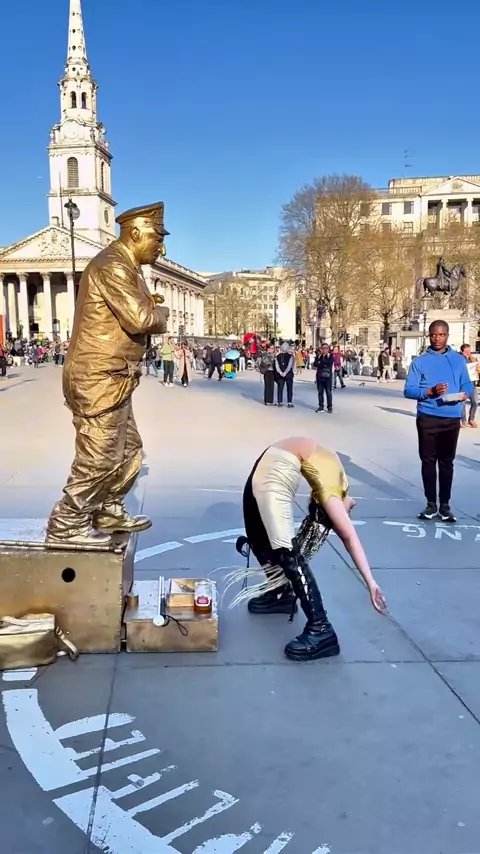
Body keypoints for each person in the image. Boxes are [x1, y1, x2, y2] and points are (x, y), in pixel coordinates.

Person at [46, 202, 170, 546]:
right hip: (98, 378)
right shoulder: (113, 265)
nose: (161, 248)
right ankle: (66, 524)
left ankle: (108, 508)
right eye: (157, 239)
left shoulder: (128, 266)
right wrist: (162, 312)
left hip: (115, 378)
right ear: (136, 233)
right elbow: (142, 319)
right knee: (99, 456)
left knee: (129, 450)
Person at [234, 436, 387, 662]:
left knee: (286, 550)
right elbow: (349, 536)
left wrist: (371, 583)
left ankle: (321, 627)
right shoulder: (333, 492)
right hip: (273, 462)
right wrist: (371, 583)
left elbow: (349, 536)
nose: (344, 520)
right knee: (259, 533)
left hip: (273, 460)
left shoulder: (334, 493)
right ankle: (281, 593)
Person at [404, 320, 472, 523]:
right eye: (433, 335)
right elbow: (409, 390)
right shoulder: (420, 362)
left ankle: (445, 505)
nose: (437, 338)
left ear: (447, 336)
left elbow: (467, 384)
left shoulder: (458, 360)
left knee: (447, 462)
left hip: (451, 417)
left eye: (441, 335)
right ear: (429, 336)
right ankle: (431, 503)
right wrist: (430, 392)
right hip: (428, 417)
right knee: (428, 461)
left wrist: (464, 394)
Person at [460, 344, 479, 429]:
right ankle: (463, 420)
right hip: (463, 385)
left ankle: (471, 419)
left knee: (475, 402)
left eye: (469, 351)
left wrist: (478, 369)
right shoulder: (459, 360)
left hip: (472, 384)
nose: (468, 353)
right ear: (462, 351)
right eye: (466, 351)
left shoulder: (473, 359)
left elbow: (478, 370)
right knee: (462, 403)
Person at [313, 343, 333, 413]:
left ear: (328, 349)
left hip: (327, 377)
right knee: (320, 392)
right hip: (319, 376)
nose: (324, 350)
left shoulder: (330, 355)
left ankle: (329, 406)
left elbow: (329, 363)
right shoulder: (319, 356)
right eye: (323, 348)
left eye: (326, 348)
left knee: (328, 392)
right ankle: (321, 406)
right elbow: (315, 364)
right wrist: (322, 363)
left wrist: (321, 363)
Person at [275, 342, 294, 407]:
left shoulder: (277, 356)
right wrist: (285, 372)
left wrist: (280, 372)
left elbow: (277, 365)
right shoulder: (290, 356)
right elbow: (290, 365)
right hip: (289, 374)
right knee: (289, 388)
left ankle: (280, 402)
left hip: (280, 375)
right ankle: (289, 402)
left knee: (280, 388)